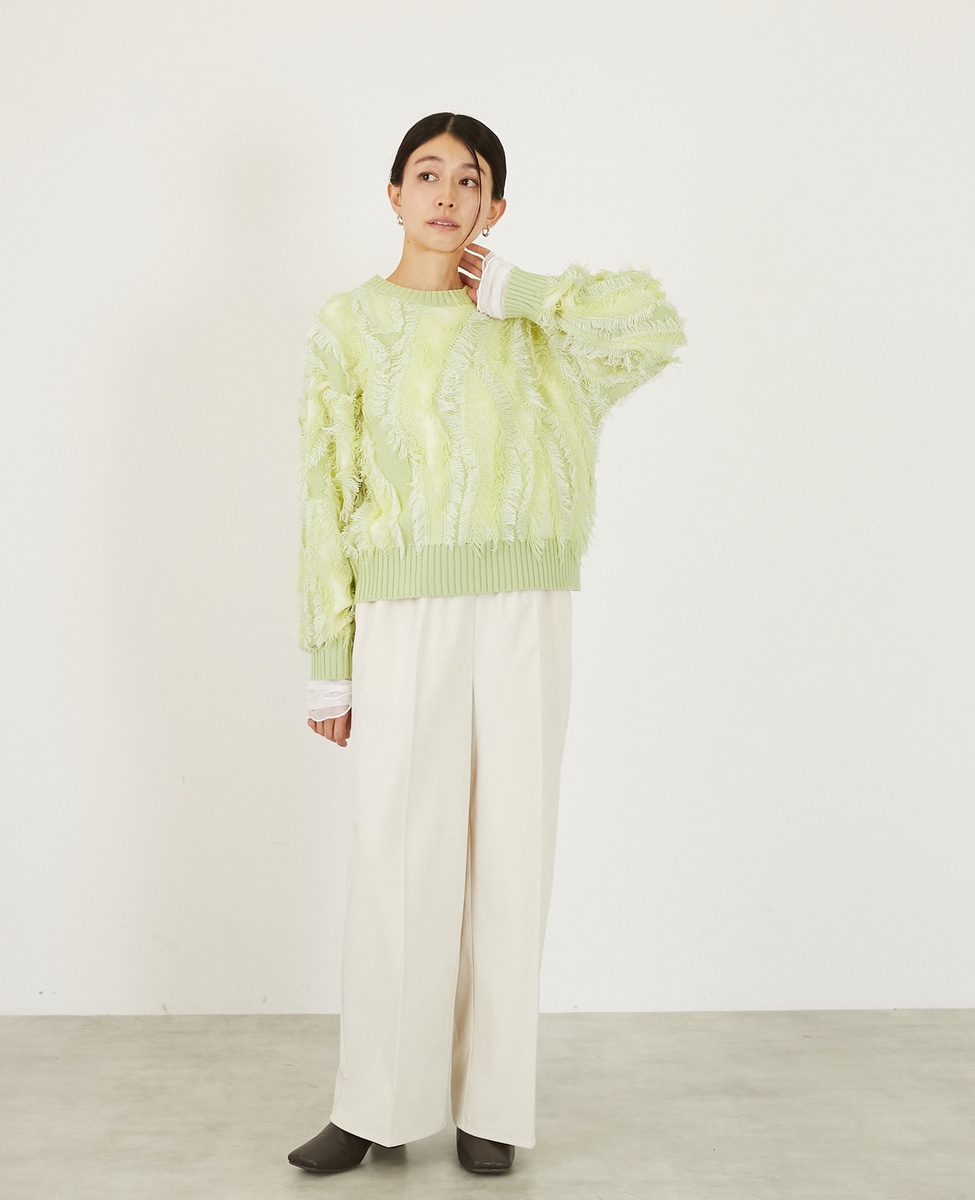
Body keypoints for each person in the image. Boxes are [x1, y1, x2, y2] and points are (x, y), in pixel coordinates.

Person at [288, 111, 686, 1177]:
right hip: (404, 612)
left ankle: (492, 1108)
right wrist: (329, 660)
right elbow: (324, 490)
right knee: (397, 858)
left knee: (514, 853)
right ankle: (375, 1105)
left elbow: (654, 329)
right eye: (427, 174)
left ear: (495, 207)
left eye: (470, 180)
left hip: (524, 608)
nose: (446, 194)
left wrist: (529, 292)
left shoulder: (531, 324)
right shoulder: (349, 323)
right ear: (393, 193)